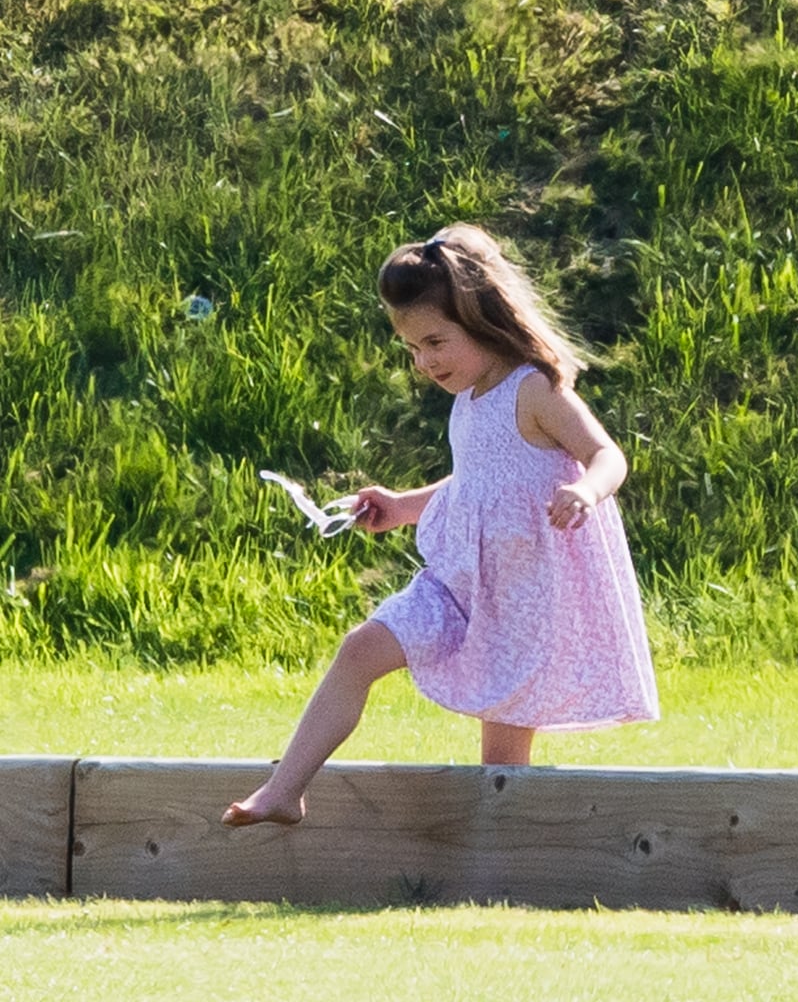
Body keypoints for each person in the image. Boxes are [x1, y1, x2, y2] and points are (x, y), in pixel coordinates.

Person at [222, 223, 659, 827]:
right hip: (456, 582)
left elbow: (608, 454)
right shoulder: (469, 402)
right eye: (413, 349)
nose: (425, 362)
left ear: (480, 318)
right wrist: (403, 505)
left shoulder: (534, 388)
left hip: (518, 598)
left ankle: (506, 864)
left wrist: (586, 489)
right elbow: (476, 487)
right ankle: (283, 792)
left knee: (502, 756)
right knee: (359, 649)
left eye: (436, 341)